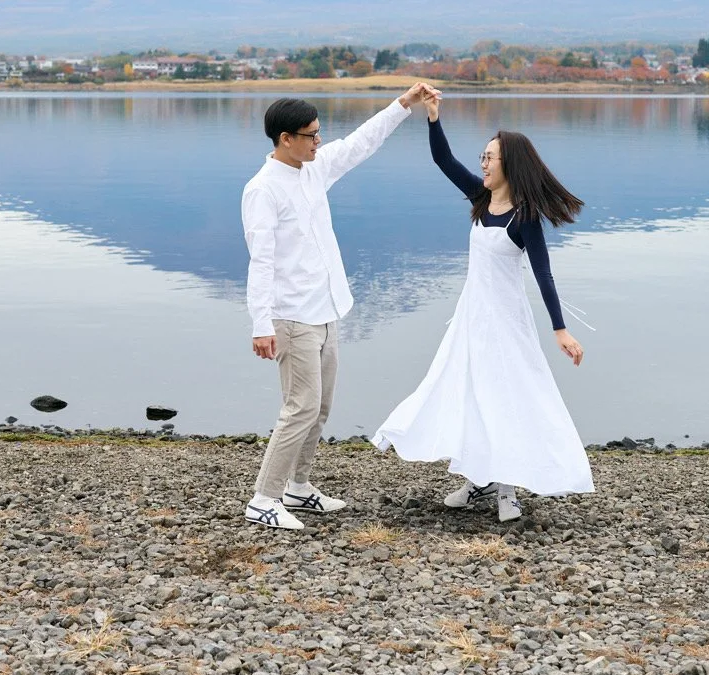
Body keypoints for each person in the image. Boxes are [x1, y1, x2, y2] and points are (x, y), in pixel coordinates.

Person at [372, 90, 594, 522]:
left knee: (504, 397)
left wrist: (560, 329)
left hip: (506, 325)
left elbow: (544, 275)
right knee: (466, 393)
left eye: (490, 157)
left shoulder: (524, 217)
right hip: (471, 319)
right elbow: (443, 161)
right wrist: (433, 117)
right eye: (483, 156)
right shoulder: (481, 198)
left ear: (509, 163)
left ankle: (506, 488)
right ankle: (480, 480)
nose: (483, 164)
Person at [241, 85, 434, 530]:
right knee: (299, 407)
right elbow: (261, 261)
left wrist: (402, 105)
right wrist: (261, 324)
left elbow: (361, 142)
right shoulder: (262, 190)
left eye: (318, 132)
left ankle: (299, 488)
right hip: (290, 316)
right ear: (285, 139)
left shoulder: (314, 168)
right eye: (310, 135)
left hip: (327, 309)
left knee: (321, 406)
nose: (319, 141)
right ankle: (263, 498)